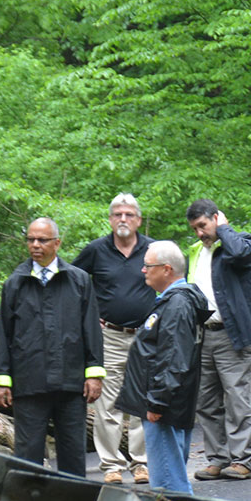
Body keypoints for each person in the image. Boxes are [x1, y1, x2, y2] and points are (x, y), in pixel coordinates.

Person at [0, 217, 104, 476]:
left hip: (71, 383)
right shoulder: (15, 283)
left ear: (57, 243)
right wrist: (1, 379)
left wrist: (94, 373)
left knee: (73, 454)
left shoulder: (79, 280)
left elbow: (92, 331)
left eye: (42, 240)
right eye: (30, 239)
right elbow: (4, 334)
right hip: (29, 384)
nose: (35, 245)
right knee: (28, 456)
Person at [72, 193, 153, 485]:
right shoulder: (96, 250)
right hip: (110, 336)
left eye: (129, 214)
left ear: (138, 220)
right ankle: (111, 466)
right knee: (108, 404)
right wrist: (88, 315)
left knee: (144, 401)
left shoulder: (153, 249)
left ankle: (141, 463)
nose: (123, 219)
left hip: (146, 336)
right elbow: (72, 282)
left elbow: (173, 282)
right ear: (110, 219)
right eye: (118, 214)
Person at [184, 199, 251, 481]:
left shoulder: (239, 243)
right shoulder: (197, 251)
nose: (199, 233)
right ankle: (218, 459)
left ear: (216, 219)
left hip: (232, 335)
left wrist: (224, 229)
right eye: (194, 228)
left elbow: (241, 253)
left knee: (237, 399)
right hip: (204, 334)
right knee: (206, 402)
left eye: (203, 226)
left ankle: (243, 461)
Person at [116, 241, 207, 495]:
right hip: (169, 404)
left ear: (166, 269)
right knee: (170, 477)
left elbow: (174, 359)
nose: (143, 271)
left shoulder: (177, 305)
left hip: (165, 408)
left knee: (169, 487)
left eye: (148, 266)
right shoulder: (175, 301)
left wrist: (156, 402)